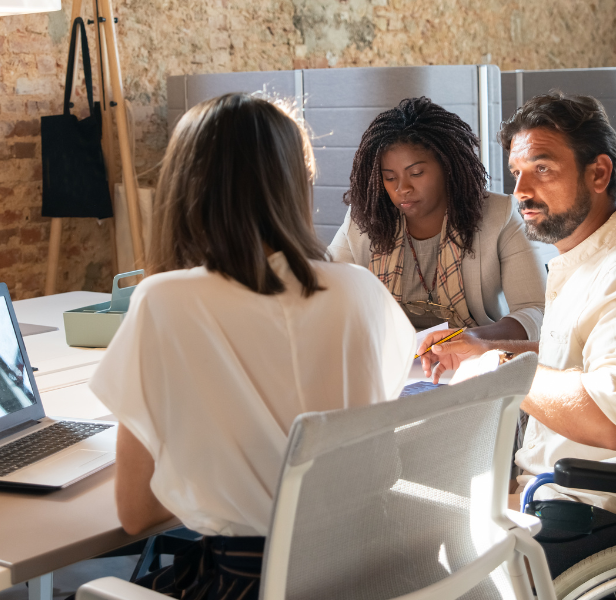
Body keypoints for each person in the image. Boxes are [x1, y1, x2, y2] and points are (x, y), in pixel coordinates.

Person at [88, 93, 416, 600]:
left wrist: (226, 477)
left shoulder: (165, 301)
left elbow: (135, 513)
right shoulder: (360, 290)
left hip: (253, 585)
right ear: (294, 184)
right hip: (368, 574)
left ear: (185, 186)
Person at [420, 91, 616, 519]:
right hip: (562, 490)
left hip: (599, 509)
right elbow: (579, 358)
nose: (521, 191)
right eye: (517, 173)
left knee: (416, 531)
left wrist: (497, 369)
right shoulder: (596, 254)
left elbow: (613, 418)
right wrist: (483, 348)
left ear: (599, 173)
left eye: (542, 169)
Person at [328, 97, 546, 344]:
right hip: (388, 360)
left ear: (447, 166)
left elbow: (535, 310)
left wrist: (467, 339)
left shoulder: (499, 214)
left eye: (416, 173)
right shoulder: (366, 219)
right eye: (389, 178)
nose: (403, 188)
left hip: (470, 360)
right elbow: (326, 295)